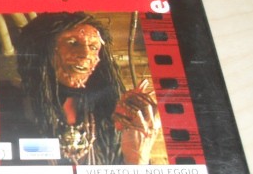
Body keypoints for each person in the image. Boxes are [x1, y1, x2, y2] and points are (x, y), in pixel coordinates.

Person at [9, 12, 161, 165]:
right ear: (41, 50)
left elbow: (134, 173)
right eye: (72, 43)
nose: (86, 54)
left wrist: (138, 153)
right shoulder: (11, 105)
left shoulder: (109, 114)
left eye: (94, 47)